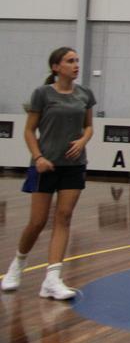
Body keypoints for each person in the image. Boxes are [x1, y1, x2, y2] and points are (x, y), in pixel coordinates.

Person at [1, 47, 94, 300]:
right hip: (45, 165)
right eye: (70, 61)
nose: (76, 65)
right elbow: (29, 130)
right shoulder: (42, 94)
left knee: (64, 218)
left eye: (76, 60)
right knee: (38, 221)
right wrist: (39, 157)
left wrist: (83, 141)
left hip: (74, 165)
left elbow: (88, 126)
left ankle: (52, 279)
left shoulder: (85, 94)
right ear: (56, 67)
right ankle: (17, 266)